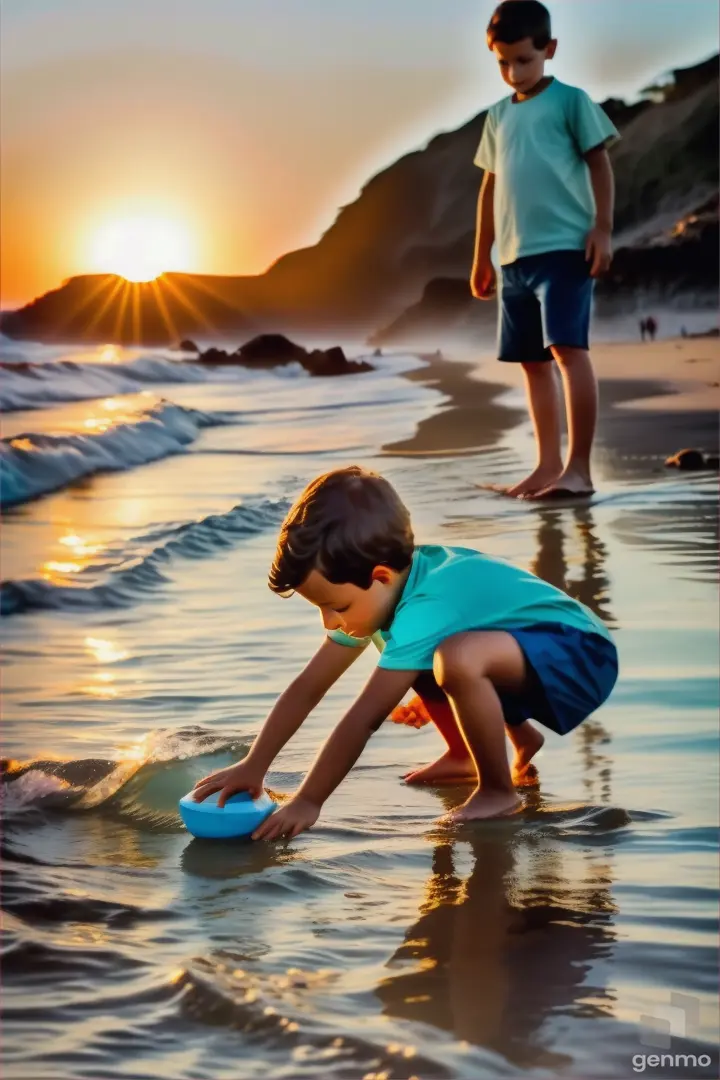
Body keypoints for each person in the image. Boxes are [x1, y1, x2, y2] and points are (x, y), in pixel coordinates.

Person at [192, 467, 618, 837]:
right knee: (427, 656)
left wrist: (308, 800)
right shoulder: (388, 591)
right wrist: (255, 765)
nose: (329, 622)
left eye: (336, 607)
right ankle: (468, 753)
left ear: (379, 576)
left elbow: (364, 719)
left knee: (455, 658)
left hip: (581, 653)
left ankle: (497, 792)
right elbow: (308, 687)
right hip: (522, 653)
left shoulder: (425, 608)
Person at [471, 1, 620, 499]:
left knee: (566, 351)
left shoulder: (571, 102)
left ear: (549, 50)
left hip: (564, 249)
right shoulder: (496, 117)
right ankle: (546, 465)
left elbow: (599, 164)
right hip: (514, 258)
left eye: (523, 61)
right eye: (502, 62)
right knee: (532, 362)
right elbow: (489, 189)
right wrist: (482, 255)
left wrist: (602, 227)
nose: (513, 73)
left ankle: (578, 469)